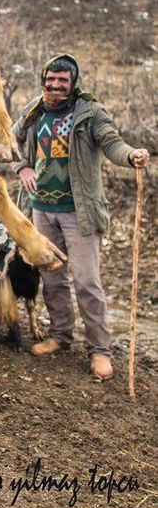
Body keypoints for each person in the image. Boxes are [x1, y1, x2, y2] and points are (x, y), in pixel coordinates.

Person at [12, 53, 150, 380]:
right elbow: (11, 139)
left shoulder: (89, 112)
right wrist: (23, 166)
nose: (55, 86)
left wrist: (131, 156)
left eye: (63, 81)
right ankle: (60, 335)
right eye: (51, 79)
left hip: (80, 212)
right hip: (41, 209)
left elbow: (111, 143)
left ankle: (100, 349)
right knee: (52, 277)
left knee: (87, 280)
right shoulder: (34, 111)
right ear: (43, 79)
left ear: (73, 83)